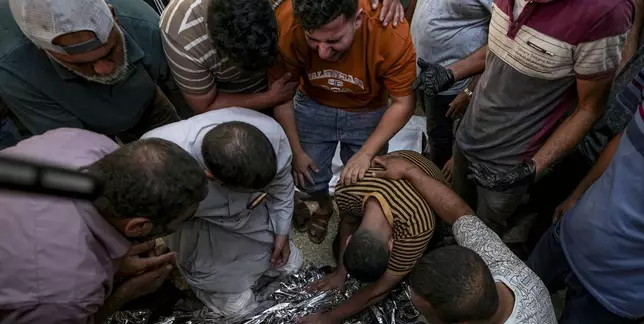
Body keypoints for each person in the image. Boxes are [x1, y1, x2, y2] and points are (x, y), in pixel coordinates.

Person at [0, 128, 208, 324]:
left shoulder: (85, 142)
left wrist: (114, 264)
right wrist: (123, 294)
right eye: (181, 222)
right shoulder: (66, 293)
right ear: (138, 227)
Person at [363, 154, 567, 324]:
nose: (420, 317)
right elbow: (461, 214)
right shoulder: (504, 267)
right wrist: (409, 171)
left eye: (424, 313)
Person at [441, 0, 634, 239]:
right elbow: (505, 46)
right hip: (469, 138)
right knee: (455, 215)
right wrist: (453, 72)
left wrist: (532, 168)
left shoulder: (605, 12)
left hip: (510, 164)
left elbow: (590, 108)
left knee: (485, 235)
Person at [527, 68, 644, 324]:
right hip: (569, 235)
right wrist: (577, 193)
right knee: (516, 301)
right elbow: (625, 140)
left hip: (612, 295)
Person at [270, 0, 417, 244]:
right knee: (309, 178)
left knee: (363, 181)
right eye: (313, 39)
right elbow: (282, 97)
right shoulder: (287, 22)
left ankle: (350, 218)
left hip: (368, 111)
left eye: (334, 40)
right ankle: (325, 207)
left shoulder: (389, 30)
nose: (323, 53)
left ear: (358, 19)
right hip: (313, 105)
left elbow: (404, 103)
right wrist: (296, 151)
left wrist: (366, 153)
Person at [142, 108, 302, 316]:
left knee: (290, 263)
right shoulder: (158, 162)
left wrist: (282, 233)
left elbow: (281, 187)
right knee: (234, 303)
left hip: (251, 210)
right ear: (210, 176)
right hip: (195, 224)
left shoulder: (270, 133)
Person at [286, 151, 445, 324]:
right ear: (391, 244)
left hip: (427, 177)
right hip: (389, 177)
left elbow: (379, 290)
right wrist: (340, 272)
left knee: (411, 276)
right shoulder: (347, 187)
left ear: (393, 245)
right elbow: (348, 221)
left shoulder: (417, 228)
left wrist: (326, 321)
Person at [159, 0, 404, 115]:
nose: (322, 51)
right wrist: (268, 97)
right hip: (227, 101)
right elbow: (205, 104)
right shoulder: (181, 32)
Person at [0, 0, 184, 142]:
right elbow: (74, 147)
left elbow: (186, 93)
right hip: (81, 128)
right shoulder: (15, 72)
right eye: (81, 64)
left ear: (114, 17)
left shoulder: (146, 24)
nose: (105, 69)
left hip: (147, 101)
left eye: (111, 50)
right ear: (45, 50)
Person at [409, 0, 490, 169]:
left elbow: (504, 42)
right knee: (433, 127)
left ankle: (441, 182)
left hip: (454, 85)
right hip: (424, 72)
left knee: (443, 139)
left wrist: (470, 90)